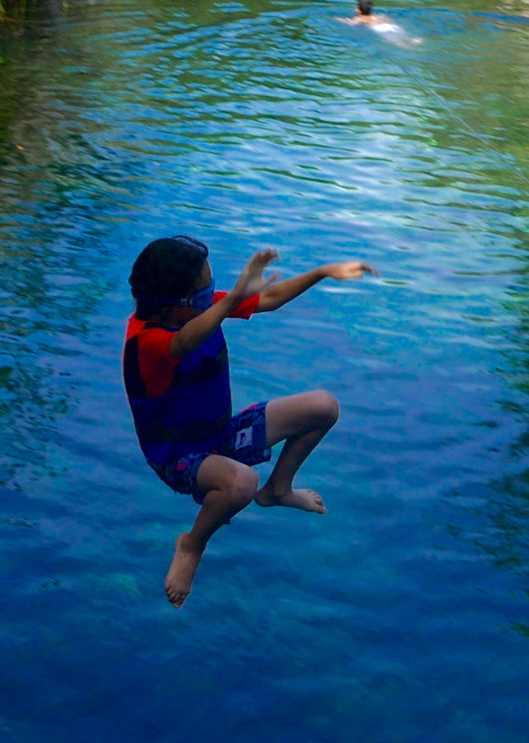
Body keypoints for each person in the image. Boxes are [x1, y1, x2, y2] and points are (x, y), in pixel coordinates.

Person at [122, 235, 375, 607]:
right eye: (206, 287)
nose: (213, 292)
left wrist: (323, 272)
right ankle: (191, 546)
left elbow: (269, 299)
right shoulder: (145, 341)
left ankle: (278, 490)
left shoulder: (197, 309)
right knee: (241, 482)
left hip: (219, 435)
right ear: (178, 305)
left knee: (323, 407)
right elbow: (184, 343)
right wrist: (234, 297)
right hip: (178, 458)